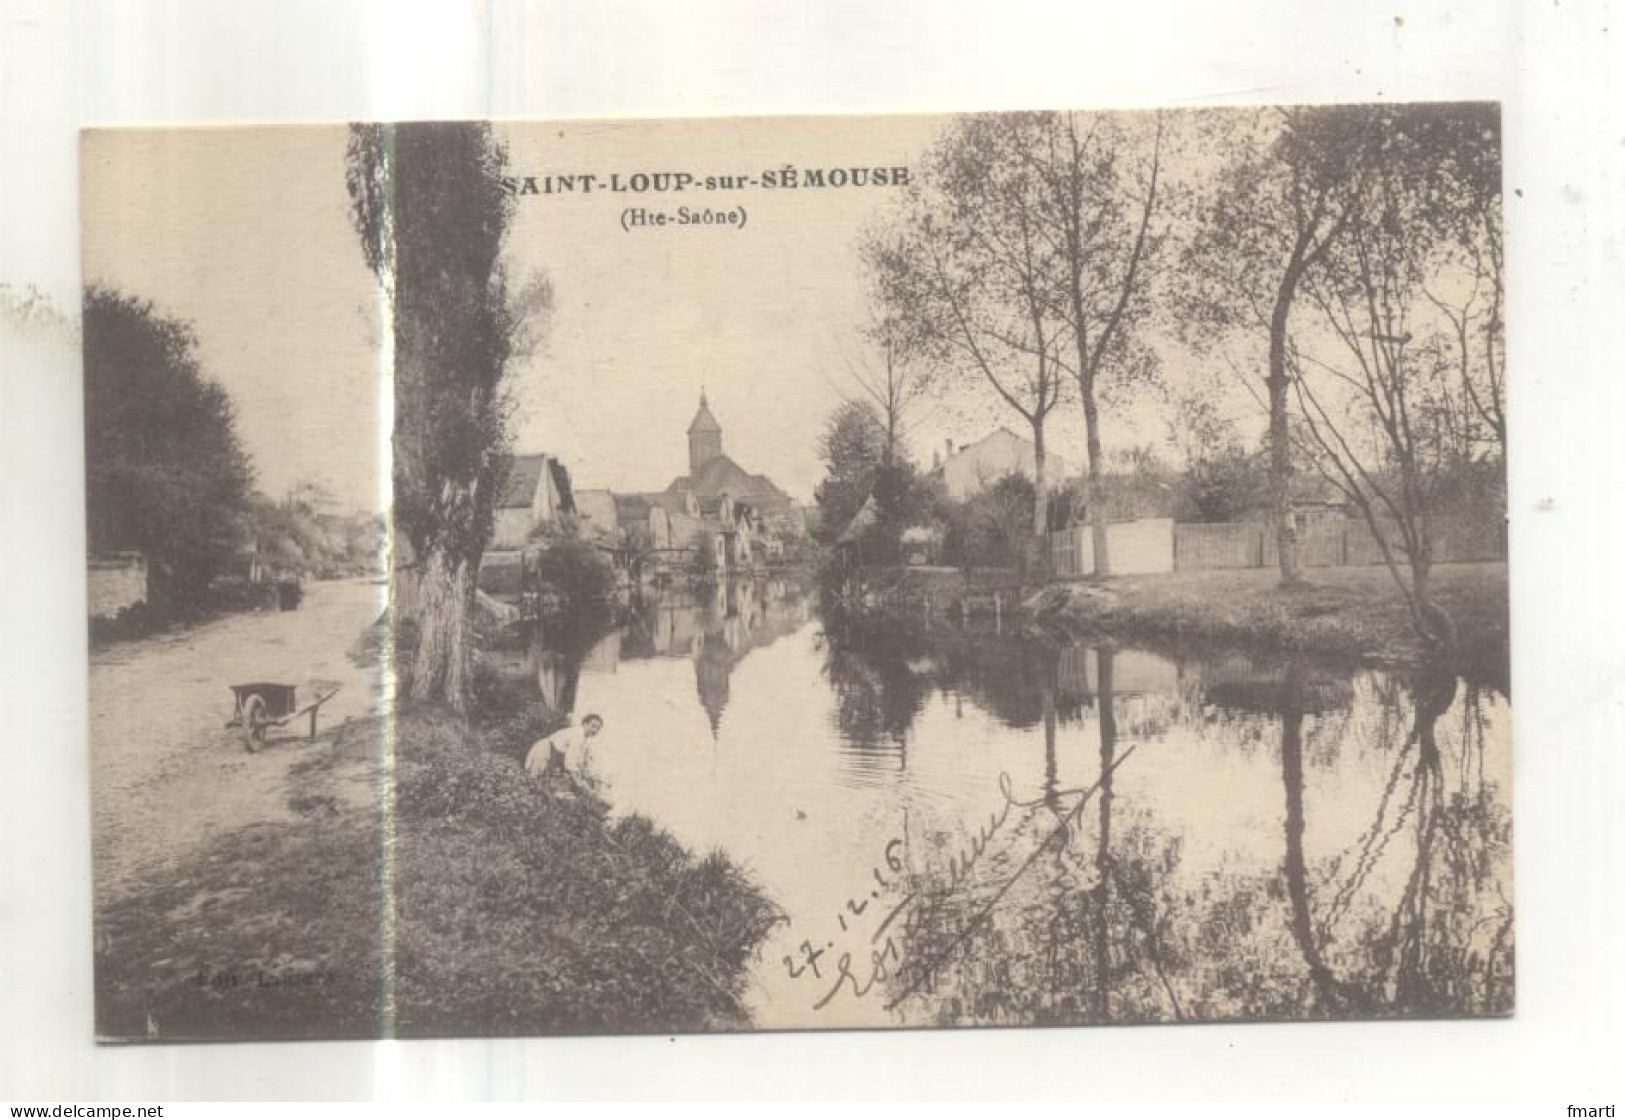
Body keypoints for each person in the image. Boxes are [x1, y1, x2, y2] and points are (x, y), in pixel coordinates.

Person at [525, 714, 605, 786]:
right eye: (593, 726)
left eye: (598, 728)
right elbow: (570, 761)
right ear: (585, 724)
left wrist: (582, 773)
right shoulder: (578, 735)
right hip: (544, 750)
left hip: (550, 752)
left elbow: (577, 761)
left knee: (538, 781)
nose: (595, 730)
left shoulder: (583, 738)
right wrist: (578, 782)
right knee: (533, 780)